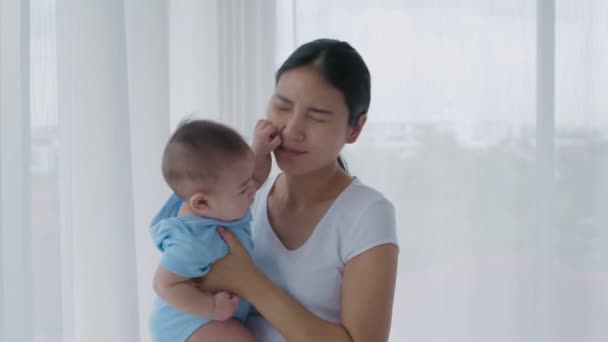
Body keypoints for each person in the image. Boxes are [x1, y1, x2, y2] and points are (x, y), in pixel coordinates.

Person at [193, 38, 400, 341]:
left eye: (316, 117)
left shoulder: (366, 214)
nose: (291, 129)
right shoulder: (245, 197)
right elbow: (182, 262)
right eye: (282, 106)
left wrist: (250, 283)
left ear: (355, 128)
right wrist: (245, 177)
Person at [149, 119, 280, 342]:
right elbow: (164, 284)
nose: (253, 189)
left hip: (206, 318)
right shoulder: (193, 241)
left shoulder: (216, 204)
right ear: (201, 203)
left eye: (249, 180)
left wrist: (258, 150)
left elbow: (237, 180)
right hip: (189, 322)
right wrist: (211, 307)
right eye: (243, 188)